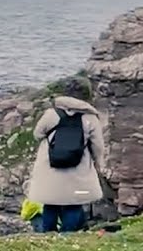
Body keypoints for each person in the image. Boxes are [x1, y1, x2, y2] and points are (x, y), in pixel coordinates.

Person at [26, 91, 106, 233]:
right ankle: (67, 235)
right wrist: (97, 162)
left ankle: (48, 234)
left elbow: (37, 134)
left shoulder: (52, 114)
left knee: (50, 203)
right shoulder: (90, 118)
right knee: (74, 204)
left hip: (51, 166)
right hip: (78, 167)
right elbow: (98, 145)